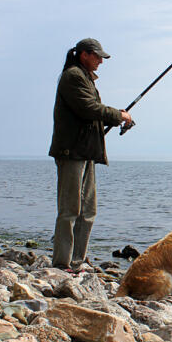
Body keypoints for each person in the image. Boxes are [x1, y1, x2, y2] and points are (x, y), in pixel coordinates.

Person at [48, 38, 133, 271]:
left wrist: (116, 117)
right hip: (71, 151)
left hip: (85, 151)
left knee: (87, 210)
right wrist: (119, 115)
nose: (100, 61)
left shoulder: (84, 77)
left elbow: (90, 113)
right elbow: (88, 108)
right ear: (84, 54)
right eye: (98, 57)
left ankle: (76, 261)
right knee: (70, 209)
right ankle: (62, 263)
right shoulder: (73, 76)